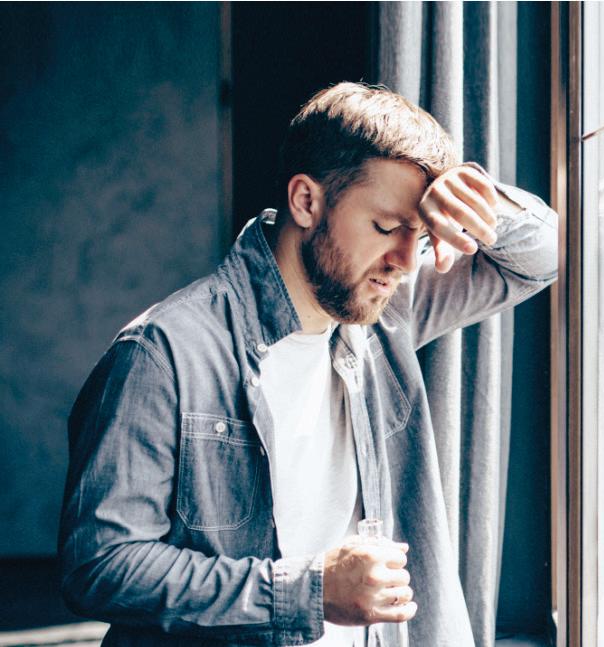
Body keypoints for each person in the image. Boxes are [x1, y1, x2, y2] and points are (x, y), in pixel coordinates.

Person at [57, 82, 558, 646]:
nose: (402, 261)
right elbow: (101, 564)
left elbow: (544, 256)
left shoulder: (385, 308)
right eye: (386, 228)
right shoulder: (164, 353)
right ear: (305, 201)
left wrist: (478, 200)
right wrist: (309, 591)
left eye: (419, 236)